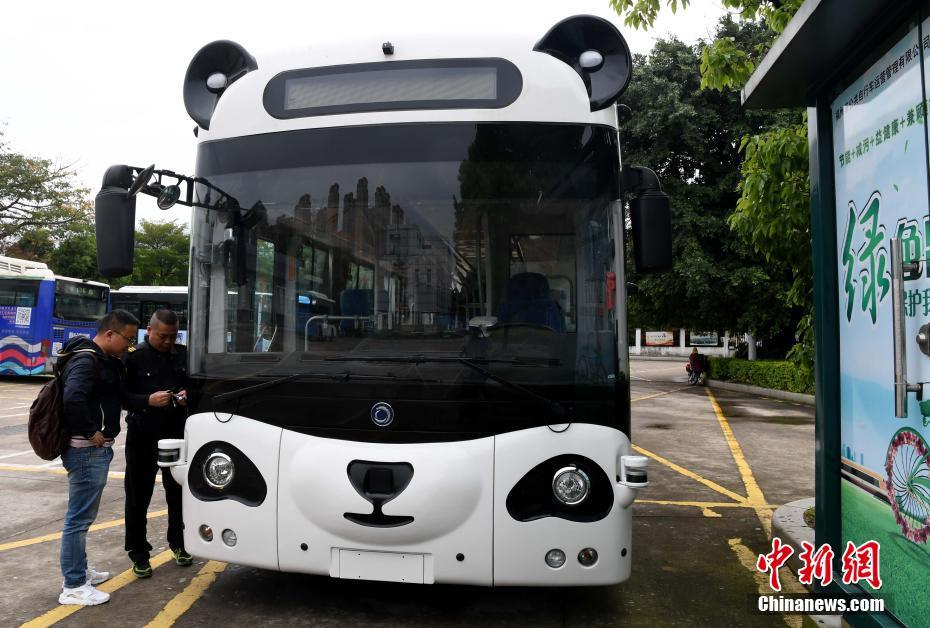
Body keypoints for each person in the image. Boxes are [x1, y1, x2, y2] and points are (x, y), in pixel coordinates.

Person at [58, 309, 140, 606]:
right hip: (85, 450)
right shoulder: (86, 360)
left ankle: (79, 571)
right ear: (110, 334)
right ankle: (74, 585)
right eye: (128, 340)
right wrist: (92, 432)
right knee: (78, 519)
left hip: (91, 450)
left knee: (82, 518)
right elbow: (72, 398)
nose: (129, 346)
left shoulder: (102, 359)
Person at [122, 309, 193, 578]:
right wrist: (147, 401)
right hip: (143, 434)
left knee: (177, 493)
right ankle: (138, 552)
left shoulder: (184, 355)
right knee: (138, 496)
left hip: (176, 433)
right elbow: (121, 396)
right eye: (162, 336)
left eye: (173, 337)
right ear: (149, 331)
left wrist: (188, 396)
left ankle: (179, 543)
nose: (167, 342)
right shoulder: (134, 358)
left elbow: (196, 387)